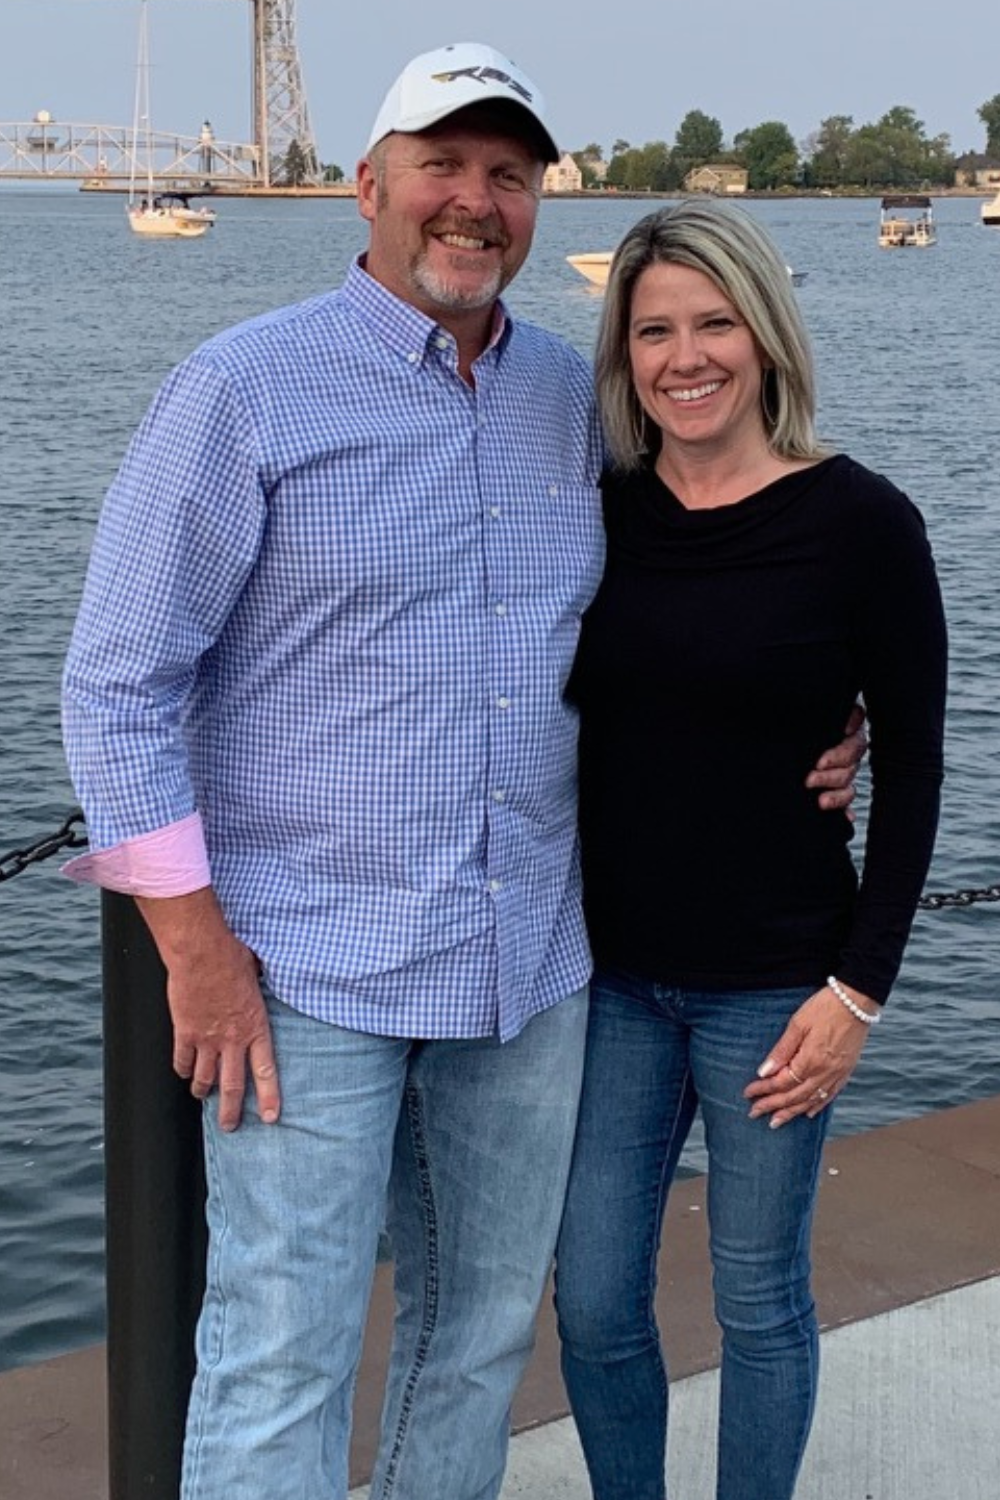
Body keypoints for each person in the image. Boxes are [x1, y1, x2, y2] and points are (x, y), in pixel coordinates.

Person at [61, 47, 863, 1500]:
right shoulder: (241, 392)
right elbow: (118, 685)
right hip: (303, 968)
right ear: (368, 187)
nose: (473, 202)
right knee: (282, 1348)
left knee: (480, 1338)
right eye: (441, 163)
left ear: (537, 204)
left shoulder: (582, 401)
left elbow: (684, 593)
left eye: (508, 174)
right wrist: (194, 951)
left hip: (529, 969)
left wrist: (816, 714)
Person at [553, 200, 947, 1500]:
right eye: (654, 329)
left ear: (766, 336)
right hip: (609, 982)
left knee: (758, 1296)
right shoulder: (596, 510)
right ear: (623, 355)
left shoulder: (863, 524)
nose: (686, 356)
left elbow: (921, 763)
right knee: (598, 1295)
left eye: (714, 321)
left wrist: (858, 994)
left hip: (779, 988)